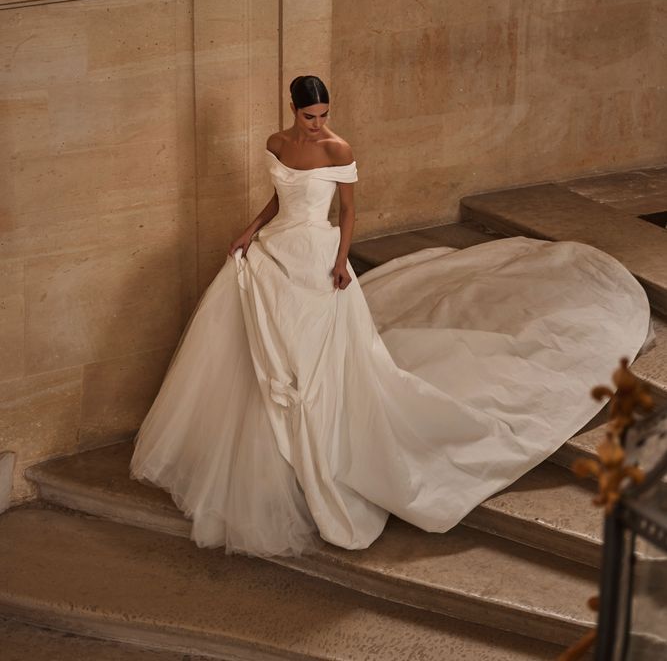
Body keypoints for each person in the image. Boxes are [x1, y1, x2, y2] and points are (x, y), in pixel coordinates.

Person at [130, 75, 652, 558]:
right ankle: (260, 459)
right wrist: (249, 231)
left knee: (311, 359)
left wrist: (340, 263)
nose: (319, 123)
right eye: (310, 115)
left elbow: (349, 212)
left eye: (324, 114)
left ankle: (321, 448)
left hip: (316, 256)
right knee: (258, 345)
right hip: (276, 250)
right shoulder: (275, 143)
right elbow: (278, 197)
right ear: (292, 110)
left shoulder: (339, 148)